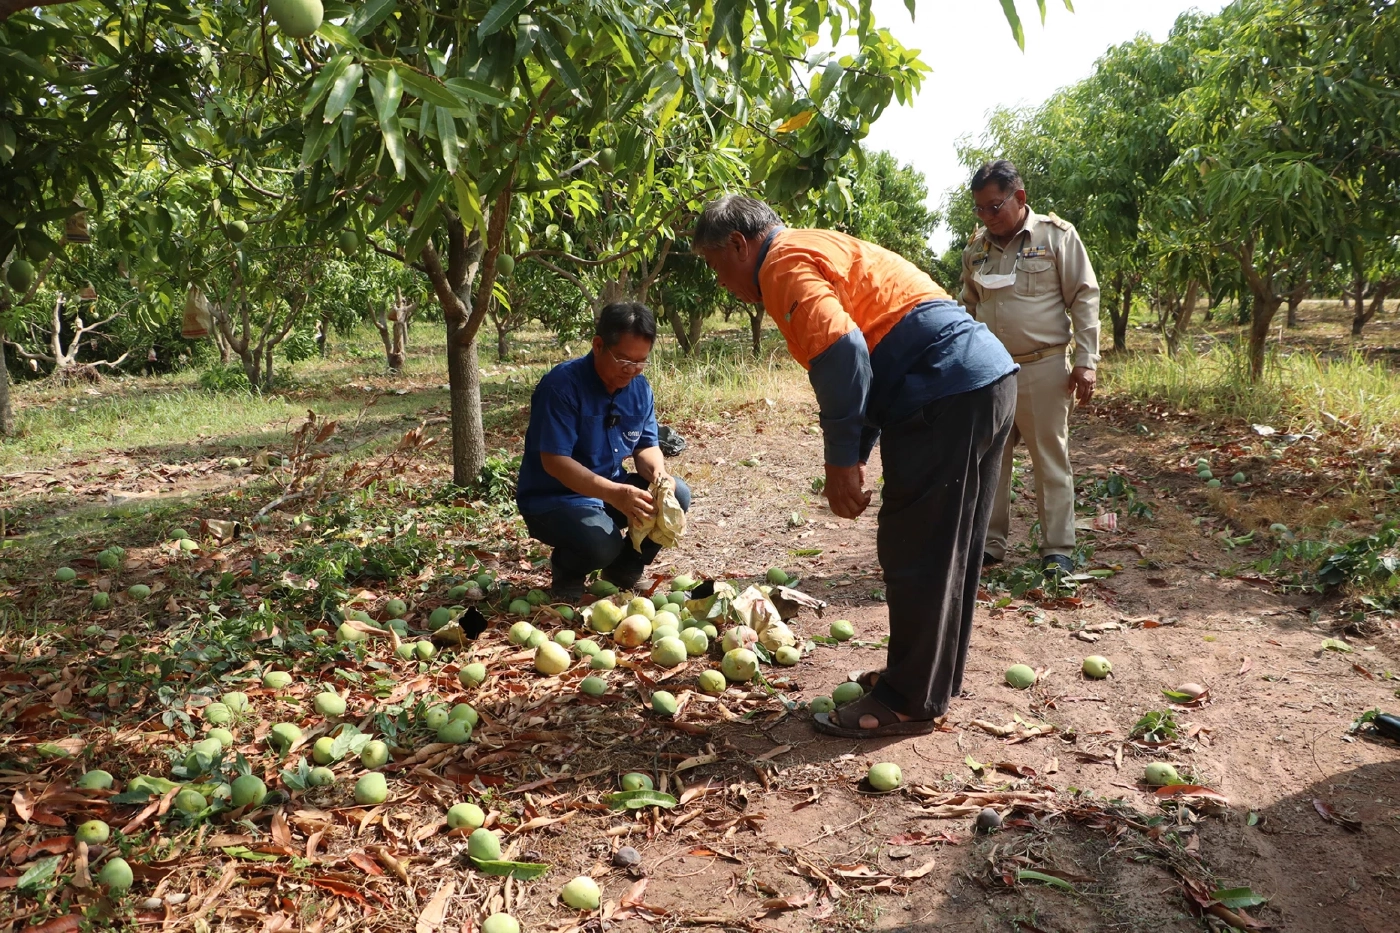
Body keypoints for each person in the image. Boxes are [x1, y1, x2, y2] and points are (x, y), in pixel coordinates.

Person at [693, 194, 1018, 738]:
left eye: (714, 264)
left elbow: (843, 352)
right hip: (985, 377)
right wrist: (859, 451)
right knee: (951, 547)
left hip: (944, 386)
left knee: (916, 548)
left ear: (738, 244)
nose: (721, 281)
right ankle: (928, 681)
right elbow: (868, 348)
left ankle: (908, 700)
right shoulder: (813, 245)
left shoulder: (780, 264)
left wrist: (841, 460)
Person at [959, 160, 1100, 579]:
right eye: (980, 209)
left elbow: (1084, 296)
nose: (987, 216)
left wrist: (1085, 361)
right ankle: (989, 544)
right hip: (992, 372)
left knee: (1049, 459)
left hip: (1044, 366)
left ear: (1019, 197)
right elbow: (968, 307)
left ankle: (1057, 549)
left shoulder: (1057, 237)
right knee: (990, 462)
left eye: (994, 206)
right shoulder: (976, 249)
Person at [516, 302, 691, 601]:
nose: (632, 370)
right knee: (602, 544)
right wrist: (616, 494)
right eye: (624, 359)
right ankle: (568, 570)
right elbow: (555, 462)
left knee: (678, 495)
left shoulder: (639, 389)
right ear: (598, 345)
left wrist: (659, 477)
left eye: (641, 362)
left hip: (609, 491)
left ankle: (624, 570)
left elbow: (646, 446)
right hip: (553, 500)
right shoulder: (561, 386)